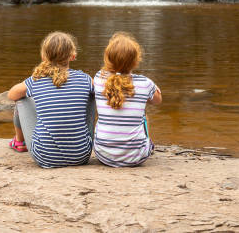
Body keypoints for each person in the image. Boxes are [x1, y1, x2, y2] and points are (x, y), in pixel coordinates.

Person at [8, 31, 95, 168]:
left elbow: (11, 95)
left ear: (43, 56)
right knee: (92, 95)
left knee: (21, 99)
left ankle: (20, 142)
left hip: (45, 156)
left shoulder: (35, 80)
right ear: (73, 56)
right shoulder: (84, 79)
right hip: (81, 155)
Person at [93, 32, 162, 167]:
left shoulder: (98, 79)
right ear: (136, 62)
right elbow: (158, 100)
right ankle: (139, 144)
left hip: (103, 154)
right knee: (143, 114)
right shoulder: (145, 83)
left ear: (107, 59)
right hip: (137, 157)